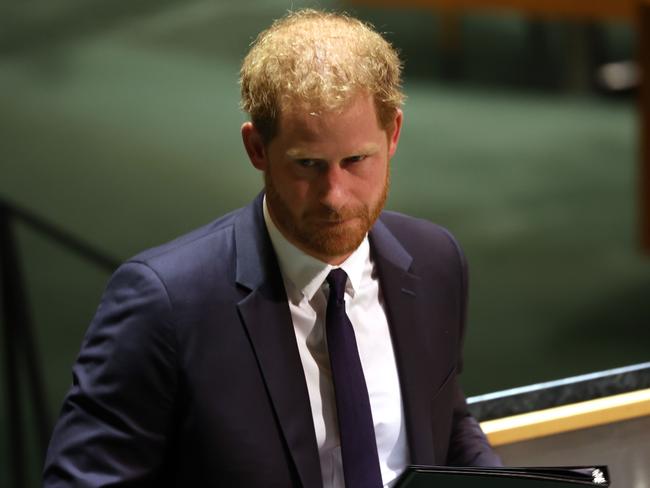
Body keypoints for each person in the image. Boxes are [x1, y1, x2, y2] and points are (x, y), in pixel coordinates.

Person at [44, 9, 500, 488]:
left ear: (394, 136)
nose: (335, 196)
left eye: (355, 160)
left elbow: (446, 426)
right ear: (257, 149)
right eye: (307, 164)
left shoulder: (435, 262)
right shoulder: (165, 305)